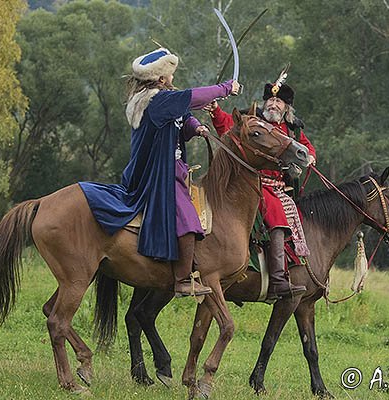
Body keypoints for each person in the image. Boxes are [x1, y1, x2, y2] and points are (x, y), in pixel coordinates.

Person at [79, 48, 240, 297]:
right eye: (170, 75)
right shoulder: (156, 101)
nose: (173, 79)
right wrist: (226, 88)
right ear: (162, 79)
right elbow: (192, 98)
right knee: (187, 219)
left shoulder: (162, 99)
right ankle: (183, 279)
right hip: (157, 174)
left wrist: (196, 127)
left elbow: (183, 117)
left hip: (170, 168)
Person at [205, 80, 316, 300]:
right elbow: (227, 124)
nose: (273, 104)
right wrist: (216, 110)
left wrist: (310, 156)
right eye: (271, 100)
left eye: (279, 101)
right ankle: (277, 280)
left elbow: (306, 147)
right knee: (276, 215)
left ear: (286, 108)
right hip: (252, 183)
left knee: (295, 215)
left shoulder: (292, 129)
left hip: (279, 187)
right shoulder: (253, 121)